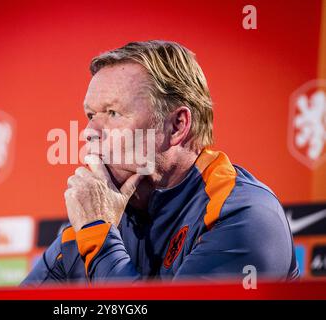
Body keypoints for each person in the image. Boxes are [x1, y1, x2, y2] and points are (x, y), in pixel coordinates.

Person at [22, 40, 299, 286]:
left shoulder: (243, 215)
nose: (89, 132)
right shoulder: (104, 211)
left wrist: (98, 238)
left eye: (113, 113)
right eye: (90, 115)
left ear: (177, 126)